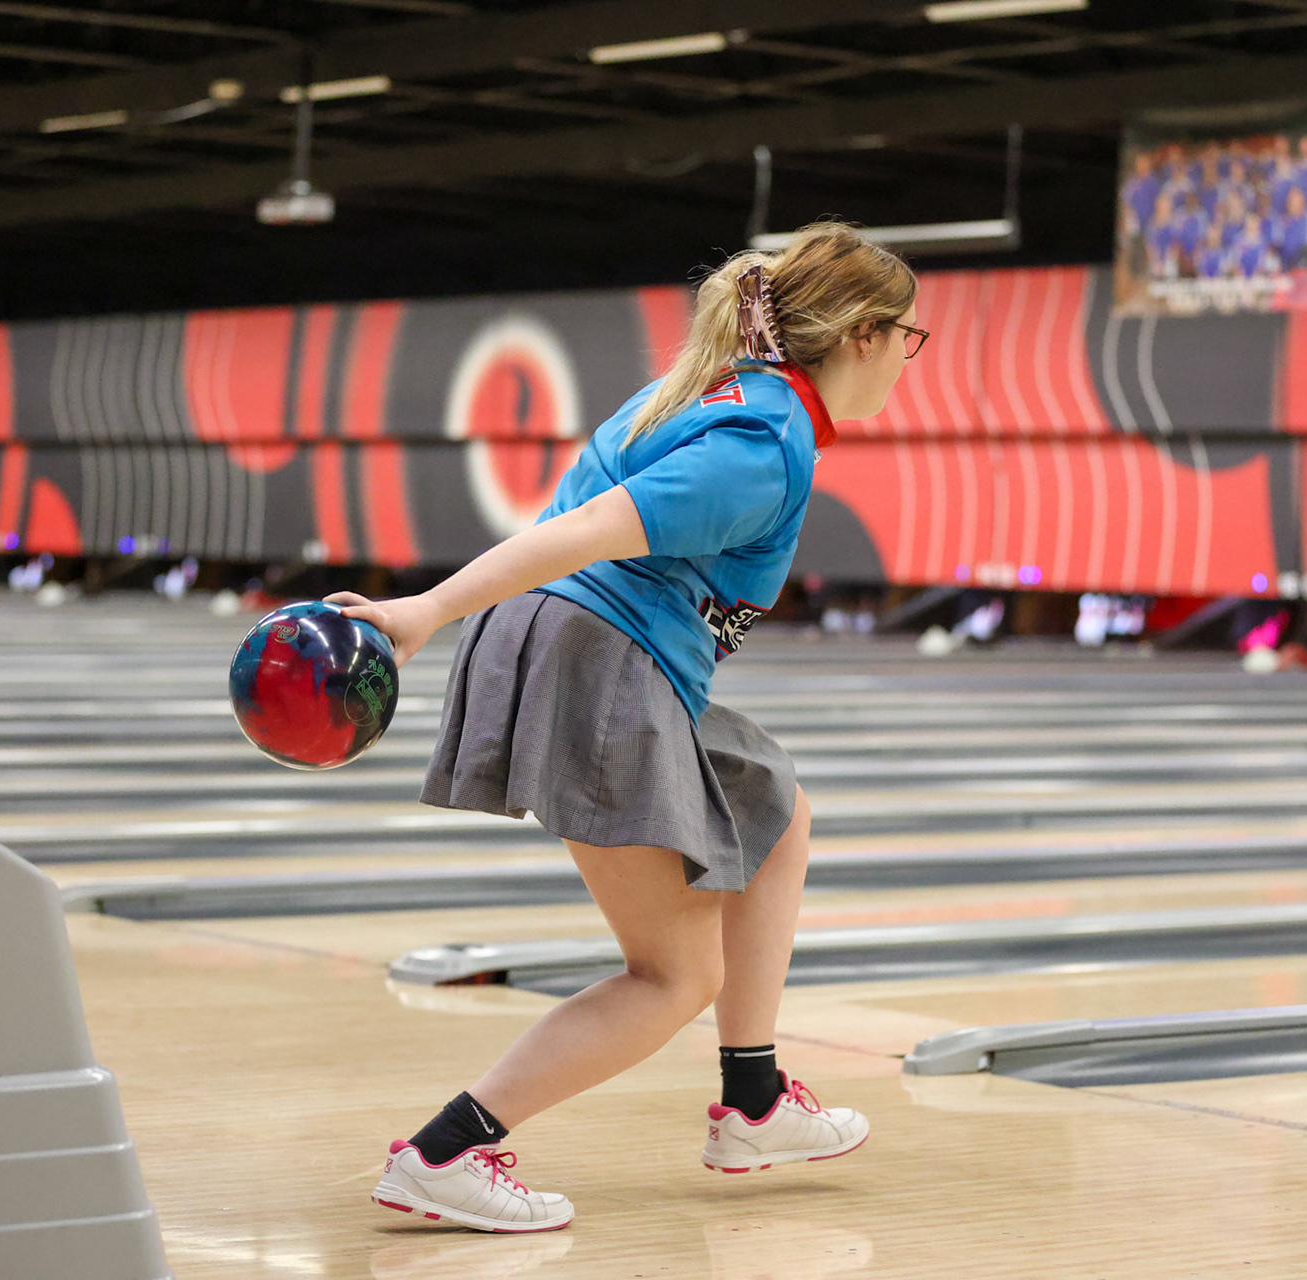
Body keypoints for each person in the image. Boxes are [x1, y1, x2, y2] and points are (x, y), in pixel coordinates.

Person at [329, 222, 923, 1234]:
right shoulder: (760, 446)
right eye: (910, 338)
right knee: (675, 971)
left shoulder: (725, 393)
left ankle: (754, 1100)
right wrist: (427, 609)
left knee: (774, 810)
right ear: (862, 334)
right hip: (599, 659)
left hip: (602, 653)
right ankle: (445, 1151)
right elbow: (586, 530)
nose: (910, 363)